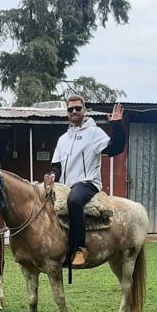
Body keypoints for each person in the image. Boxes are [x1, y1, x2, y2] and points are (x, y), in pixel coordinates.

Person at [44, 95, 126, 268]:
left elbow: (115, 148)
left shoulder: (94, 133)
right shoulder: (63, 139)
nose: (74, 111)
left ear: (85, 110)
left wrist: (117, 125)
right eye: (70, 109)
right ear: (67, 113)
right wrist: (52, 176)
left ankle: (80, 249)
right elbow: (56, 166)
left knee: (74, 201)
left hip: (87, 183)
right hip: (65, 185)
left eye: (78, 108)